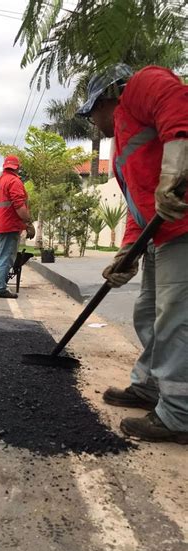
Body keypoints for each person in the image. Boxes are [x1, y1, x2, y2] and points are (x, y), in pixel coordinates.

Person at [77, 64, 188, 444]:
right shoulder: (122, 142)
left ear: (108, 98)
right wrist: (128, 252)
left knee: (175, 319)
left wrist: (176, 170)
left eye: (92, 112)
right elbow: (139, 205)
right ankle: (149, 387)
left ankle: (178, 415)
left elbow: (178, 108)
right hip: (161, 232)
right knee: (147, 312)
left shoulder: (141, 84)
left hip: (184, 227)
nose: (92, 122)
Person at [0, 155, 34, 299]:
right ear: (17, 167)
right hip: (9, 226)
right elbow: (19, 206)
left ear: (4, 166)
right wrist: (28, 224)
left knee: (1, 257)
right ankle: (0, 288)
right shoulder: (14, 182)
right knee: (6, 258)